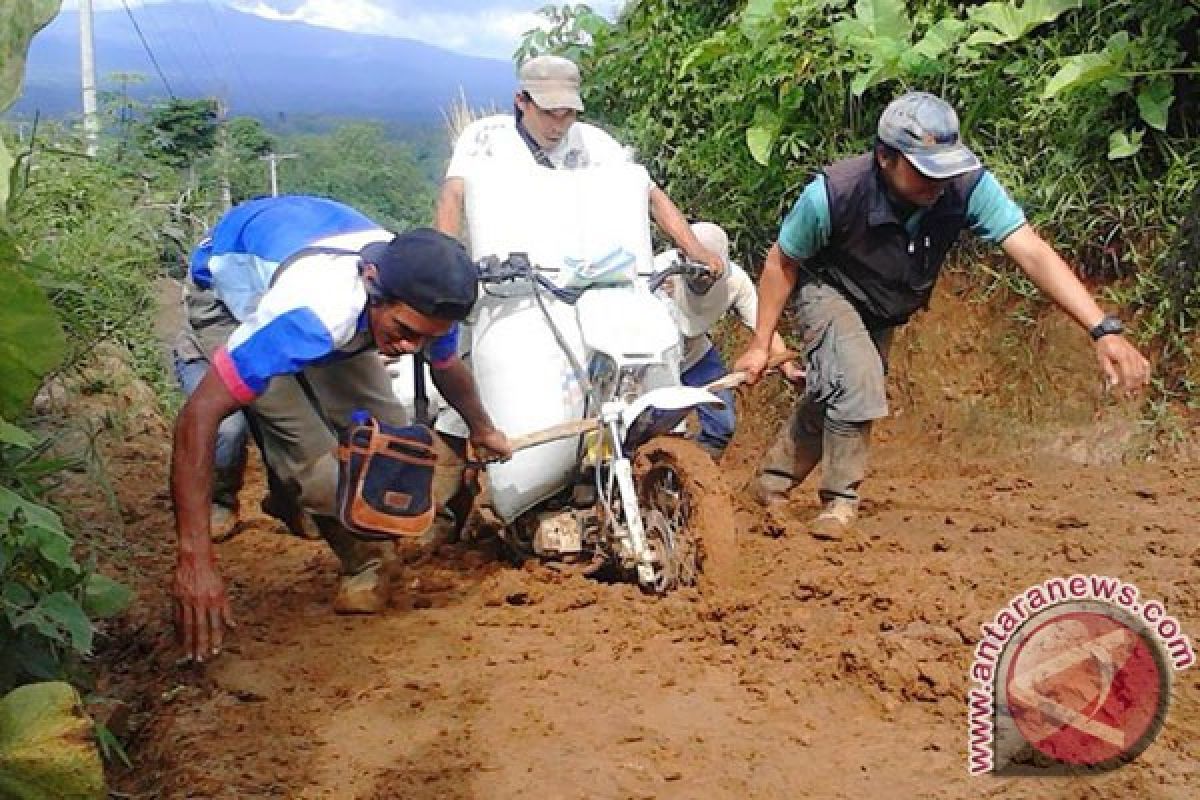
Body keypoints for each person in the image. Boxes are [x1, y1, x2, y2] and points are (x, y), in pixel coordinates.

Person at [734, 91, 1151, 540]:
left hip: (885, 305)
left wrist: (1101, 329)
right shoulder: (834, 194)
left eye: (946, 168)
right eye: (924, 171)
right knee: (857, 382)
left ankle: (767, 484)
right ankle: (840, 502)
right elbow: (783, 262)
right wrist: (762, 344)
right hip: (829, 290)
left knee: (836, 390)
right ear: (885, 159)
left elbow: (1030, 250)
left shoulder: (968, 186)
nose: (938, 183)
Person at [171, 195, 512, 664]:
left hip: (316, 280)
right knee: (319, 468)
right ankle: (361, 558)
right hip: (229, 298)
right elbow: (198, 416)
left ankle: (310, 507)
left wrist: (483, 428)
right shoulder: (312, 316)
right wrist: (196, 559)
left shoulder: (429, 297)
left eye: (425, 338)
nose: (412, 348)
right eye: (405, 331)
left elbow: (446, 365)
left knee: (393, 449)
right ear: (374, 286)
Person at [433, 54, 722, 273]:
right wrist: (446, 265)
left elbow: (649, 194)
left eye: (568, 114)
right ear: (522, 102)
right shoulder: (486, 140)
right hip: (510, 276)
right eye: (549, 113)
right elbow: (452, 195)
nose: (558, 125)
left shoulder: (595, 143)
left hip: (585, 275)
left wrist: (695, 250)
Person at [654, 221, 800, 459]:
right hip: (655, 362)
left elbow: (764, 327)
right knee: (660, 430)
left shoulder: (736, 283)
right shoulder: (658, 271)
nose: (704, 277)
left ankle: (692, 474)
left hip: (696, 356)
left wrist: (788, 367)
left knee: (722, 427)